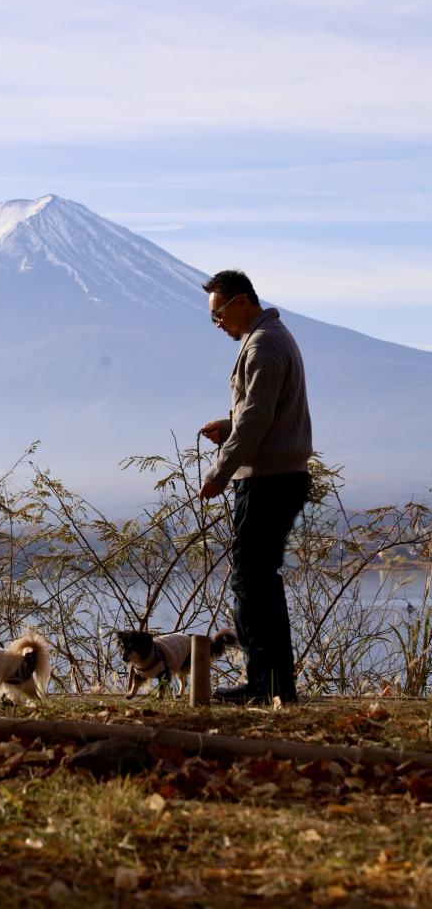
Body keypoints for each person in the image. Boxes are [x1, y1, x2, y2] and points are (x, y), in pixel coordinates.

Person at [198, 270, 312, 704]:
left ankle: (262, 685)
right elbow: (263, 412)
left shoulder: (263, 344)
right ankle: (277, 684)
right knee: (262, 578)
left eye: (219, 314)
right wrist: (229, 425)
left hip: (267, 479)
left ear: (242, 302)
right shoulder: (274, 336)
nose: (219, 324)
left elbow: (256, 420)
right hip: (282, 473)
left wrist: (219, 471)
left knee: (248, 577)